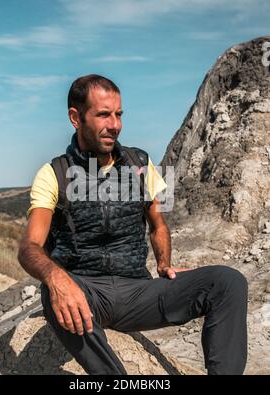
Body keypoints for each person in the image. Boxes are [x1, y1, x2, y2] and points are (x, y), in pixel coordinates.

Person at [18, 74, 248, 375]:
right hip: (87, 292)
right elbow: (29, 247)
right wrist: (56, 278)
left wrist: (165, 263)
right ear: (76, 117)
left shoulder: (140, 163)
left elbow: (157, 224)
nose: (114, 125)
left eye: (118, 114)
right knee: (52, 290)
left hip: (139, 292)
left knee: (228, 281)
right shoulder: (54, 173)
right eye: (103, 114)